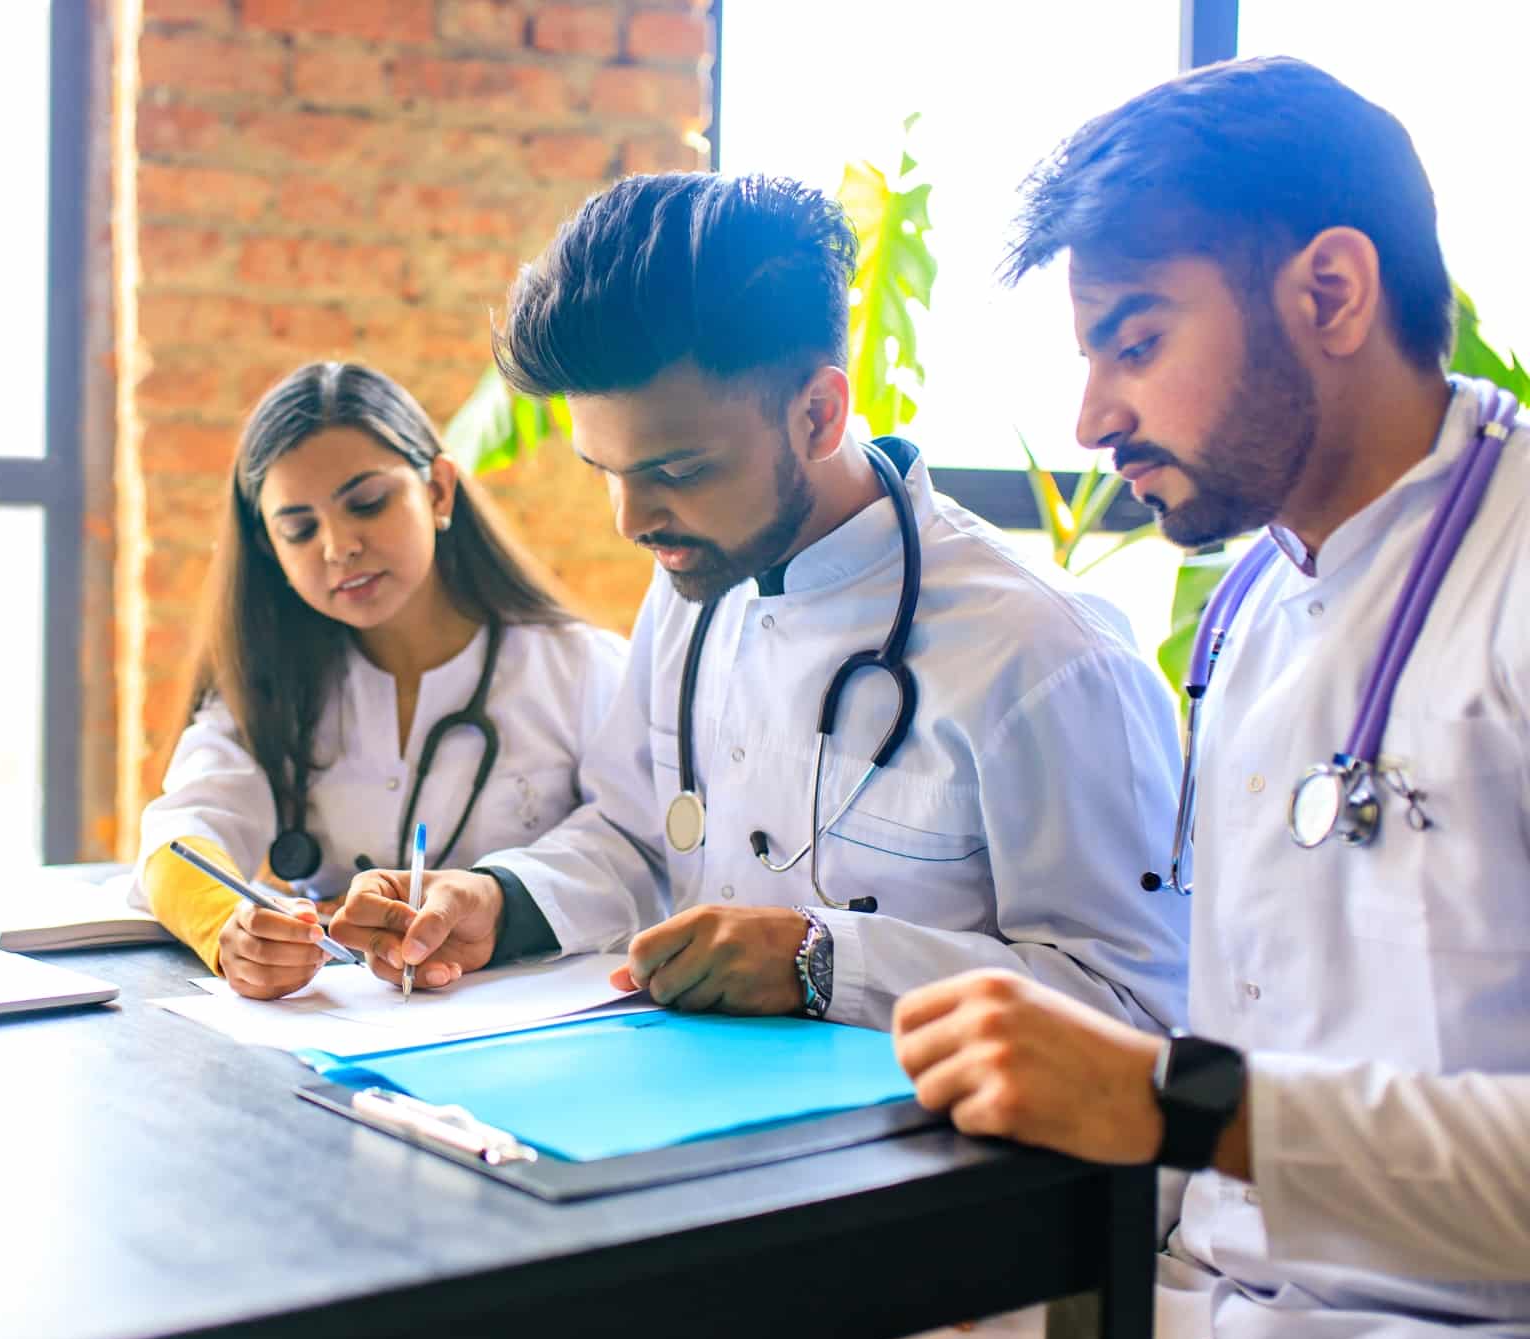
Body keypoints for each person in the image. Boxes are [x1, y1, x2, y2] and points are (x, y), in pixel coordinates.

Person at [891, 57, 1530, 1339]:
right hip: (1234, 1319)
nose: (1092, 418)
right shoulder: (1244, 606)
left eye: (1138, 341)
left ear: (1331, 294)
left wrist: (1181, 1105)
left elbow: (1209, 1098)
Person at [331, 172, 1188, 1040]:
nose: (632, 521)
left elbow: (1140, 1004)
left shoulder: (1045, 653)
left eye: (678, 471)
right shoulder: (694, 583)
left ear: (818, 413)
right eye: (607, 474)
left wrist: (824, 962)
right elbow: (636, 836)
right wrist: (498, 900)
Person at [132, 361, 626, 999]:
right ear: (270, 550)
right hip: (335, 1040)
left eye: (367, 504)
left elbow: (637, 855)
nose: (339, 547)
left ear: (439, 491)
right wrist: (232, 930)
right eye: (299, 529)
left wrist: (504, 901)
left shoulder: (581, 671)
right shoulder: (267, 685)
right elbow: (180, 835)